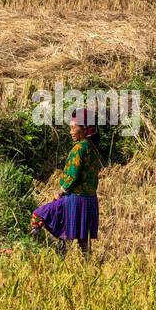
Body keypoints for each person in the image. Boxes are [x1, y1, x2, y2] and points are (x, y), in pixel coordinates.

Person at [30, 108, 102, 254]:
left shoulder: (79, 149)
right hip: (90, 199)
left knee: (39, 214)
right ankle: (87, 264)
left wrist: (60, 192)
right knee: (83, 238)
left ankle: (32, 245)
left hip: (76, 199)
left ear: (84, 129)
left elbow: (73, 175)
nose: (70, 132)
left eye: (73, 128)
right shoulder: (93, 149)